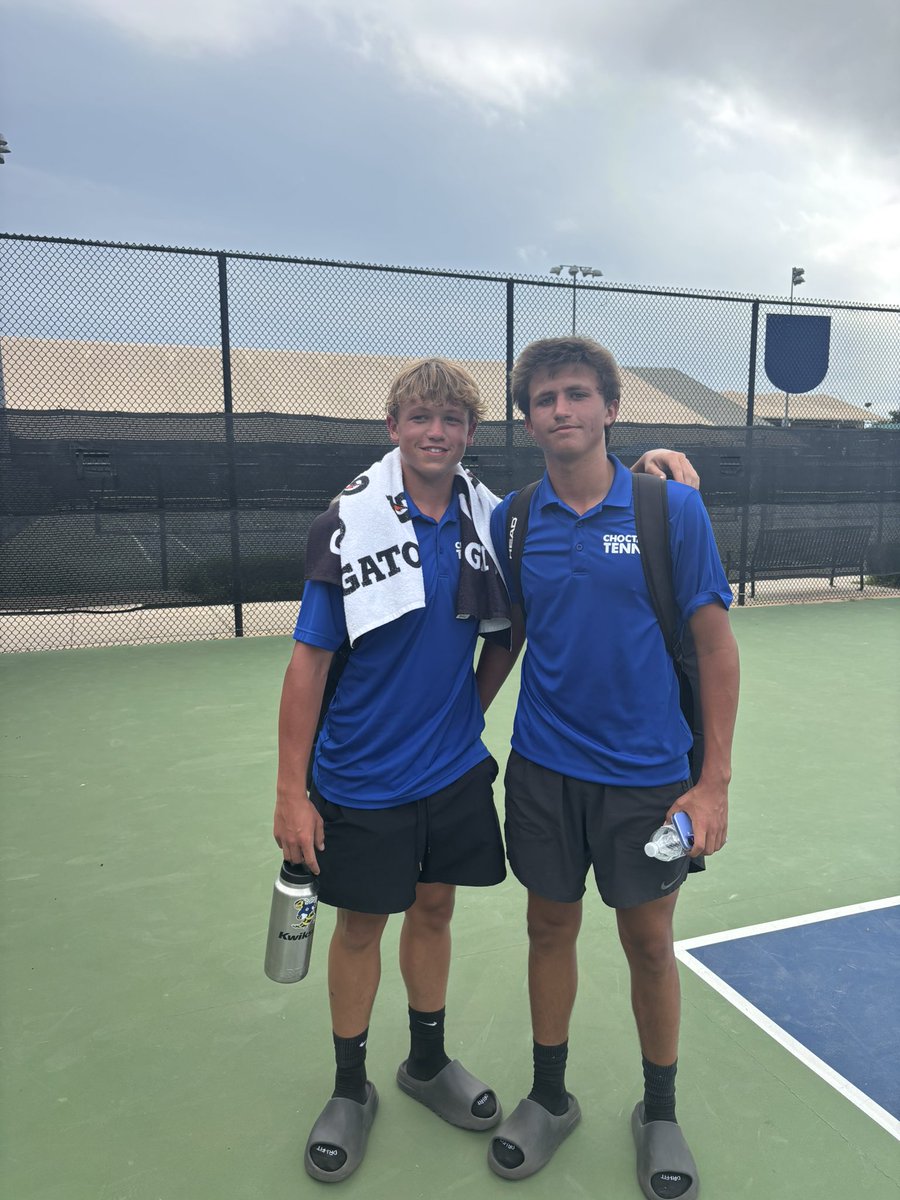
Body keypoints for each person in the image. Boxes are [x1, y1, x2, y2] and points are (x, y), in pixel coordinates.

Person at [273, 356, 698, 1184]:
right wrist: (292, 791)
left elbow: (525, 598)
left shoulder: (489, 517)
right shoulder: (347, 523)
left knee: (434, 912)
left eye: (452, 421)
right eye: (419, 418)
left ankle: (425, 1065)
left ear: (471, 435)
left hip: (453, 770)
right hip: (359, 775)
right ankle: (350, 1089)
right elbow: (306, 666)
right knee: (362, 928)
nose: (435, 433)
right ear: (392, 427)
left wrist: (653, 465)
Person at [478, 337, 739, 1200]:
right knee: (548, 929)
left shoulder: (671, 512)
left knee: (648, 942)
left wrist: (713, 785)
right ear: (528, 419)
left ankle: (657, 1111)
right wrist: (457, 723)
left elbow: (715, 647)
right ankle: (550, 1098)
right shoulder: (513, 519)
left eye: (578, 394)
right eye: (546, 397)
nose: (562, 409)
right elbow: (509, 636)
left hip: (650, 781)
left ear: (611, 408)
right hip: (544, 774)